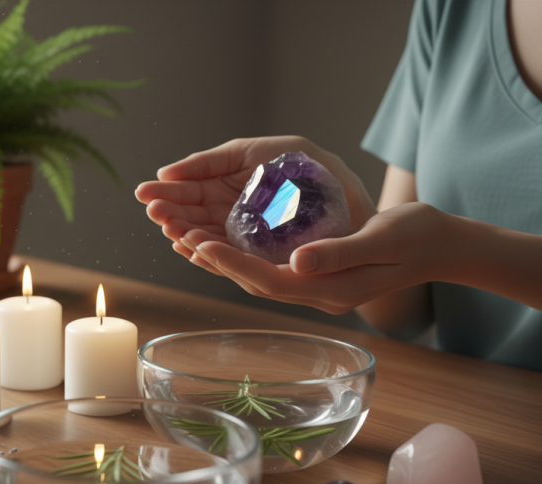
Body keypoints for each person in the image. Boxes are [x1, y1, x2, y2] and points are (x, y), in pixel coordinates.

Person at [135, 0, 542, 371]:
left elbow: (436, 250)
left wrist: (457, 251)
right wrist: (356, 222)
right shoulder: (452, 10)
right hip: (470, 398)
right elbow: (404, 314)